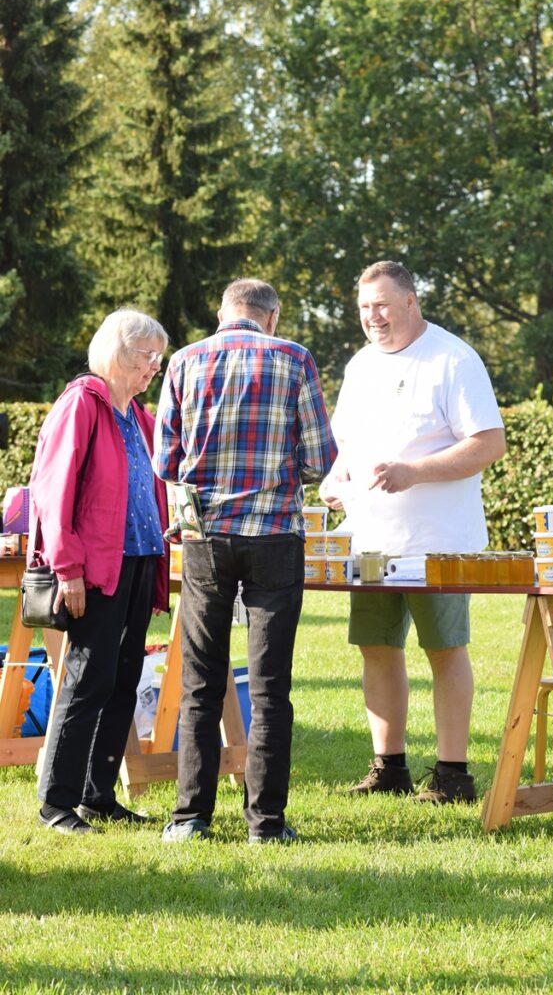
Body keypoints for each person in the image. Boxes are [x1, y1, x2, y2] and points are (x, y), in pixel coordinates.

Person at [153, 278, 337, 843]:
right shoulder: (295, 359)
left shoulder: (184, 360)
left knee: (202, 682)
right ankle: (266, 823)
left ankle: (190, 818)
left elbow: (166, 459)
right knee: (269, 685)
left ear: (222, 313)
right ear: (272, 317)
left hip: (206, 536)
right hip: (276, 535)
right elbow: (318, 458)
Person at [320, 260, 506, 804]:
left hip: (438, 542)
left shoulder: (453, 358)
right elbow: (346, 448)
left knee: (445, 650)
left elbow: (489, 443)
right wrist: (336, 479)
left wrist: (415, 473)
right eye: (363, 308)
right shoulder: (359, 366)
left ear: (410, 301)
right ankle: (390, 766)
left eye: (381, 304)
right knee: (376, 648)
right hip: (371, 541)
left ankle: (453, 775)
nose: (372, 317)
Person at [31, 308, 170, 834]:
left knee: (123, 678)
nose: (154, 366)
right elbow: (53, 491)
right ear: (116, 352)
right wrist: (67, 568)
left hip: (136, 561)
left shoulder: (137, 414)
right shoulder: (82, 405)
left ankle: (97, 795)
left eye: (158, 357)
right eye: (145, 356)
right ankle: (56, 802)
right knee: (88, 679)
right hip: (93, 569)